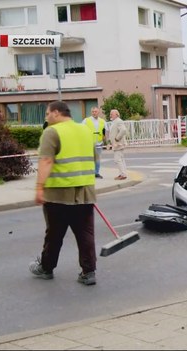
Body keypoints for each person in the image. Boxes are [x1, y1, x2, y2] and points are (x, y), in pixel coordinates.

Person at [29, 101, 98, 285]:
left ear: (56, 113)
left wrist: (39, 188)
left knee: (54, 234)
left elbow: (46, 161)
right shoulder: (85, 130)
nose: (46, 118)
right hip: (84, 192)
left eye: (47, 114)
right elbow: (94, 158)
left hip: (58, 194)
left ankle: (46, 268)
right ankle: (88, 272)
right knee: (85, 234)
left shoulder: (51, 132)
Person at [82, 107, 106, 179]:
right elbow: (81, 130)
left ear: (98, 112)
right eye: (92, 112)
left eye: (95, 111)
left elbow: (104, 131)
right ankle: (89, 173)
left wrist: (105, 141)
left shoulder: (102, 121)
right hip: (89, 143)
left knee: (97, 160)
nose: (94, 113)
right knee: (89, 159)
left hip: (99, 143)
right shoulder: (86, 120)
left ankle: (96, 173)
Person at [108, 109, 128, 180]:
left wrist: (117, 138)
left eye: (112, 114)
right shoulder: (114, 121)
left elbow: (123, 130)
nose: (110, 115)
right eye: (110, 114)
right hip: (117, 144)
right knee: (121, 159)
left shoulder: (119, 121)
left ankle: (123, 174)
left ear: (117, 114)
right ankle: (122, 174)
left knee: (117, 159)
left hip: (118, 144)